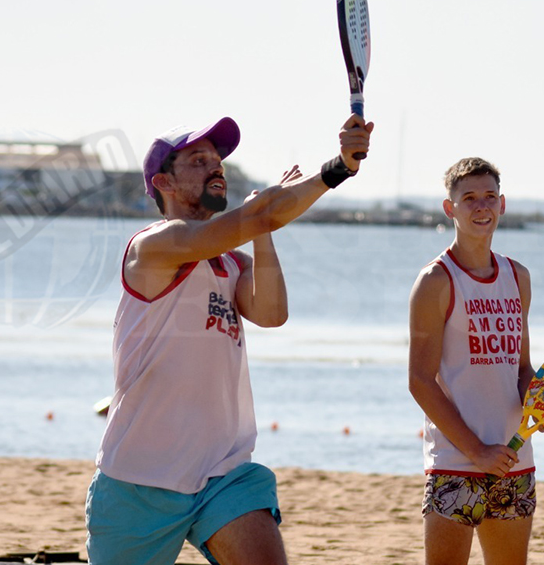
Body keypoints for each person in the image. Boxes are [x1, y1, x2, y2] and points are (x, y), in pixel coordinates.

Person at [86, 113, 373, 565]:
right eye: (199, 160)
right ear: (163, 181)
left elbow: (272, 314)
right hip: (138, 479)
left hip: (224, 473)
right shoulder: (154, 246)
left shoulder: (231, 264)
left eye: (217, 159)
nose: (215, 166)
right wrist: (331, 171)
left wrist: (274, 222)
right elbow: (255, 215)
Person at [408, 157, 544, 565]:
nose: (481, 207)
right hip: (456, 461)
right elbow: (420, 381)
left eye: (490, 197)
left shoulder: (517, 276)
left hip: (515, 459)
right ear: (449, 208)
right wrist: (476, 450)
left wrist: (541, 401)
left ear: (503, 204)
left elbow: (521, 367)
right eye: (469, 198)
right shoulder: (435, 280)